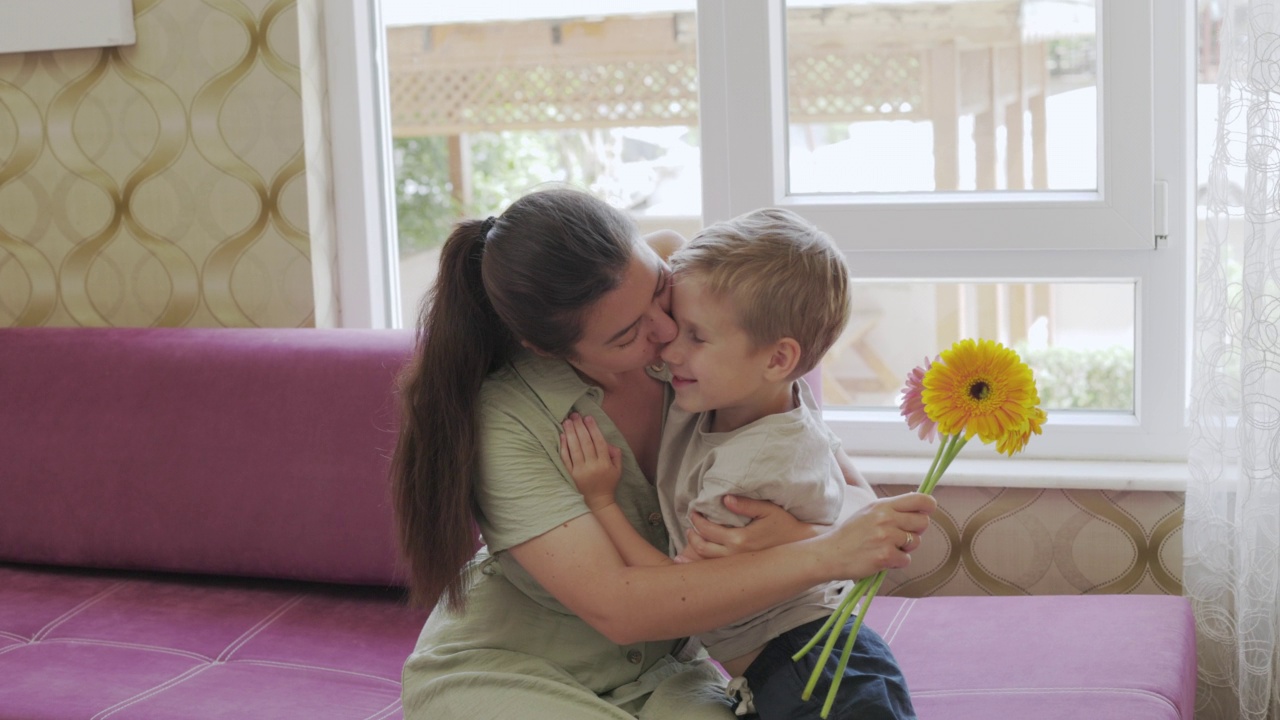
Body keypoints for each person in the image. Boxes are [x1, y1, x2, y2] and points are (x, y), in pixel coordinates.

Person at [392, 187, 936, 719]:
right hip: (512, 672)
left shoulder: (698, 300)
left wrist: (802, 536)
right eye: (628, 334)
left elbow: (845, 491)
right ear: (548, 349)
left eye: (658, 289)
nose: (667, 331)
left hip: (668, 676)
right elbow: (621, 608)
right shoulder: (510, 416)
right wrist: (823, 555)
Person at [558, 208, 915, 719]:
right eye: (675, 326)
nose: (669, 349)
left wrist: (600, 501)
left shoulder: (749, 471)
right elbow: (658, 247)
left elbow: (674, 590)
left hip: (815, 670)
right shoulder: (748, 393)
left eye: (696, 337)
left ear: (777, 359)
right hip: (788, 664)